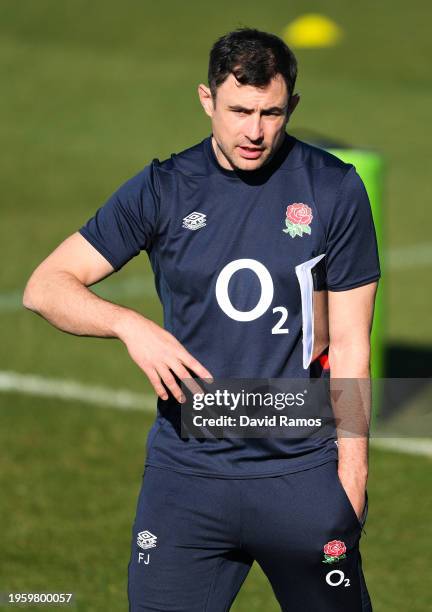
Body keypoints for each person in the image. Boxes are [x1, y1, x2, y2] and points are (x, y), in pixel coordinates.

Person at [23, 28, 380, 612]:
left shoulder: (335, 189)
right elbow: (46, 286)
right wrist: (129, 325)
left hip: (303, 477)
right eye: (239, 110)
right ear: (206, 99)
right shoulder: (163, 188)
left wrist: (353, 478)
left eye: (271, 112)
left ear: (292, 106)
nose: (255, 131)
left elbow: (350, 347)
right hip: (187, 482)